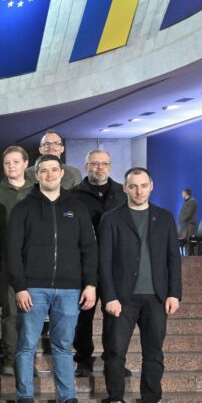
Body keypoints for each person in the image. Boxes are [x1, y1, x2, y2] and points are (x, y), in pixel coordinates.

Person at [7, 155, 97, 403]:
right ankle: (25, 402)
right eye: (43, 170)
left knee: (63, 347)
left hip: (69, 289)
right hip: (33, 288)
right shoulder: (23, 208)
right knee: (26, 346)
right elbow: (13, 251)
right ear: (36, 175)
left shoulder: (77, 207)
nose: (49, 175)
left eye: (53, 170)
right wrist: (20, 286)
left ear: (61, 173)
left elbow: (89, 248)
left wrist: (90, 283)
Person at [99, 168, 182, 403]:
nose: (138, 191)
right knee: (115, 352)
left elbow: (173, 258)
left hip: (157, 297)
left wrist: (174, 293)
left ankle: (152, 402)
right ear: (125, 188)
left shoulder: (165, 218)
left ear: (151, 186)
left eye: (143, 185)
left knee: (154, 352)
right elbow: (104, 261)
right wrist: (109, 296)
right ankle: (115, 402)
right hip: (122, 299)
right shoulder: (111, 219)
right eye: (133, 186)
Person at [72, 149, 126, 377]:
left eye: (104, 164)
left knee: (115, 316)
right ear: (86, 166)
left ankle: (114, 360)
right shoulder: (73, 195)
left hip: (116, 264)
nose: (100, 168)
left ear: (110, 166)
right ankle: (84, 359)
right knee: (84, 315)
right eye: (95, 164)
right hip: (85, 264)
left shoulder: (122, 193)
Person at [0, 146, 35, 376]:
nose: (11, 166)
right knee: (10, 312)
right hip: (7, 261)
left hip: (36, 262)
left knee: (33, 313)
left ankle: (28, 360)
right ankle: (10, 359)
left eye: (16, 162)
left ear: (26, 164)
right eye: (7, 163)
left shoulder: (37, 191)